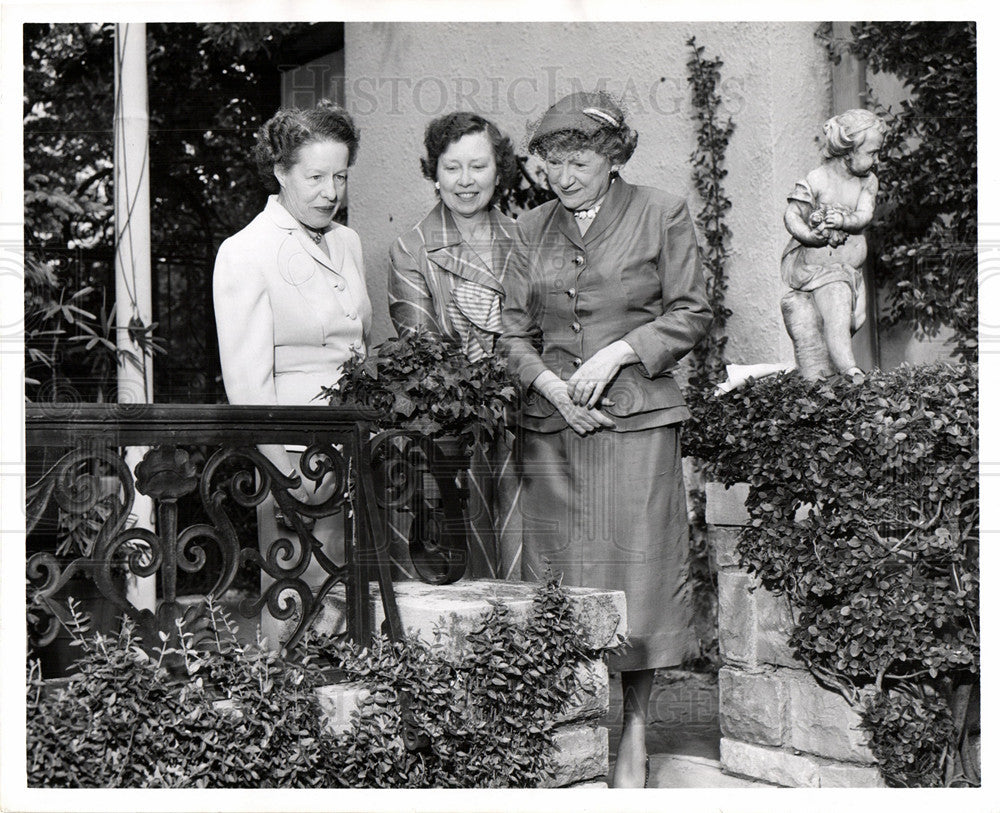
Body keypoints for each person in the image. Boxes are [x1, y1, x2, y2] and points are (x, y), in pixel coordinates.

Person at [499, 91, 712, 787]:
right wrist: (554, 388)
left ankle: (636, 731)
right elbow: (510, 334)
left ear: (613, 156)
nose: (563, 175)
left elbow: (691, 312)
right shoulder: (529, 228)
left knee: (638, 585)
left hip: (636, 425)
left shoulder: (660, 211)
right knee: (561, 586)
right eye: (551, 161)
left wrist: (620, 351)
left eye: (579, 159)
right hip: (553, 432)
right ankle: (567, 737)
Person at [213, 100, 371, 646]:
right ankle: (284, 719)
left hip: (356, 451)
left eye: (341, 176)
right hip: (298, 461)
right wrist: (287, 478)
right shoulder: (246, 252)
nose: (331, 191)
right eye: (316, 176)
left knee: (355, 613)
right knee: (297, 603)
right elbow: (248, 384)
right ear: (281, 172)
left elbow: (358, 346)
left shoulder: (347, 242)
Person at [388, 112, 522, 580]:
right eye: (452, 167)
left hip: (529, 431)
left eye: (479, 166)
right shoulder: (412, 249)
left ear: (499, 170)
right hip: (454, 437)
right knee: (462, 576)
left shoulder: (526, 239)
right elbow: (424, 354)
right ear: (434, 173)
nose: (466, 181)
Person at [780, 108, 887, 378]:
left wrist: (841, 219)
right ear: (848, 151)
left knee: (855, 318)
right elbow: (792, 214)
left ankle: (826, 370)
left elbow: (864, 216)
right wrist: (809, 235)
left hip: (850, 270)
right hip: (821, 271)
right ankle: (849, 369)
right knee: (838, 310)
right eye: (872, 153)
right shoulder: (818, 178)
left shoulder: (868, 181)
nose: (876, 160)